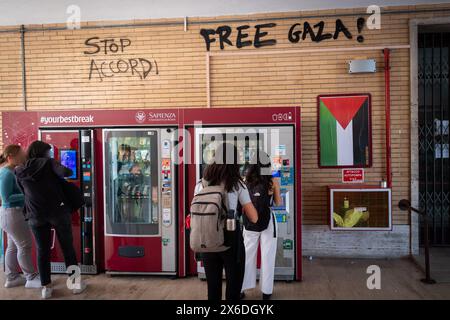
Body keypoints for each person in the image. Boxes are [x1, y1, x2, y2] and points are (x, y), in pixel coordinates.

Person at [15, 141, 87, 299]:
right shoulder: (48, 163)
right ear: (44, 153)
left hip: (35, 215)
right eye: (49, 152)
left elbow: (23, 192)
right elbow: (66, 172)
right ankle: (74, 285)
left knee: (42, 250)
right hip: (58, 212)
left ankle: (46, 287)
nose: (50, 155)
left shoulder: (20, 169)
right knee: (67, 247)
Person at [194, 142, 258, 300]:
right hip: (231, 241)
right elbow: (254, 218)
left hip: (207, 241)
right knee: (233, 289)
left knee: (213, 288)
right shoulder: (236, 185)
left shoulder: (200, 185)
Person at [241, 151, 282, 300]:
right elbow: (278, 203)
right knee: (267, 256)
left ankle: (242, 289)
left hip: (249, 222)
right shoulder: (272, 181)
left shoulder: (245, 181)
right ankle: (266, 292)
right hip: (268, 222)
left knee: (247, 256)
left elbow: (242, 203)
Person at [0, 145, 41, 289]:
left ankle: (12, 278)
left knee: (13, 246)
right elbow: (6, 197)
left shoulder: (12, 171)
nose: (24, 155)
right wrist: (27, 194)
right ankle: (30, 277)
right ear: (11, 156)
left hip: (12, 214)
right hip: (11, 213)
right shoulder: (6, 173)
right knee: (24, 245)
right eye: (21, 153)